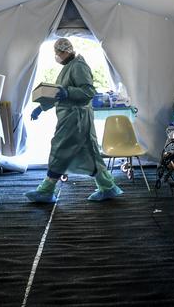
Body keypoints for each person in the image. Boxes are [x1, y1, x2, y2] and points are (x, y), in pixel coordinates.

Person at [25, 38, 123, 203]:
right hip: (73, 118)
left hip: (75, 118)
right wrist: (41, 108)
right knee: (89, 153)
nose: (57, 56)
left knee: (60, 149)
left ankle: (46, 190)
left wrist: (68, 92)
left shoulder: (78, 66)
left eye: (58, 53)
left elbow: (88, 92)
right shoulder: (69, 67)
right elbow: (58, 93)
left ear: (66, 51)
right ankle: (107, 187)